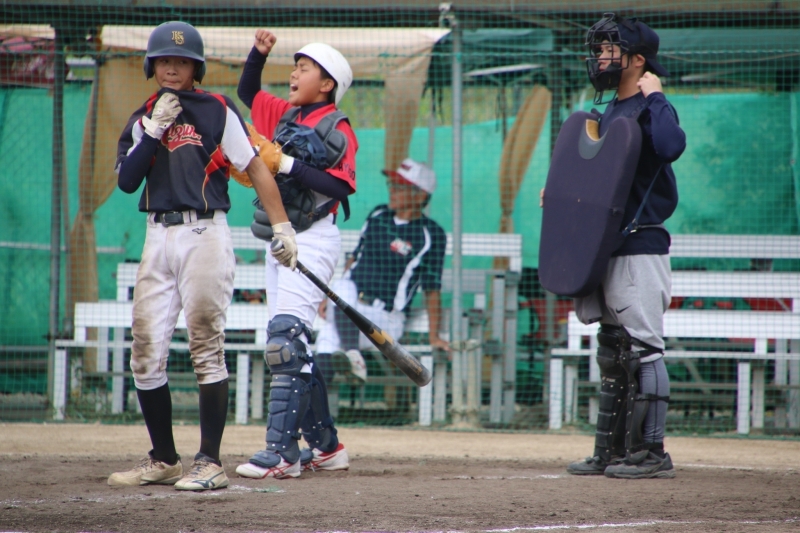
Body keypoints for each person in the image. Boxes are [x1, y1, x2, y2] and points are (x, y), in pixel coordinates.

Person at [108, 21, 297, 491]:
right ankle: (164, 458)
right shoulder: (143, 116)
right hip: (158, 236)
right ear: (152, 66)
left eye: (182, 61)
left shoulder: (216, 110)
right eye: (164, 61)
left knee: (205, 347)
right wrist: (153, 130)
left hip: (204, 232)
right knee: (144, 354)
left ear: (197, 68)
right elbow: (128, 181)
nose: (172, 69)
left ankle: (209, 462)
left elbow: (254, 167)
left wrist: (282, 226)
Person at [558, 14, 686, 479]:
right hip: (605, 246)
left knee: (644, 348)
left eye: (610, 50)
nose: (600, 58)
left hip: (640, 245)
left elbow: (670, 146)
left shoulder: (652, 107)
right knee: (614, 349)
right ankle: (609, 452)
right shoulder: (608, 111)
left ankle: (651, 453)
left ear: (637, 60)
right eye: (600, 50)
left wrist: (656, 96)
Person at [234, 29, 358, 479]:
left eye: (304, 69)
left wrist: (286, 164)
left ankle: (282, 453)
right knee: (290, 344)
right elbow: (248, 92)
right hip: (281, 237)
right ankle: (326, 448)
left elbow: (341, 187)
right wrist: (257, 54)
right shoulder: (285, 113)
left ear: (326, 84)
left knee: (285, 342)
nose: (294, 74)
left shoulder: (337, 126)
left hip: (315, 237)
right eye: (294, 67)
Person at [314, 159, 450, 388]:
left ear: (420, 195)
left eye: (400, 186)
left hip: (386, 317)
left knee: (329, 335)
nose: (392, 191)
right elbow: (354, 258)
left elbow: (432, 288)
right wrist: (330, 299)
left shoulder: (431, 234)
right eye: (391, 184)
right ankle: (353, 358)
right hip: (350, 304)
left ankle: (313, 403)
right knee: (340, 297)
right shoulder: (379, 214)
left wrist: (434, 336)